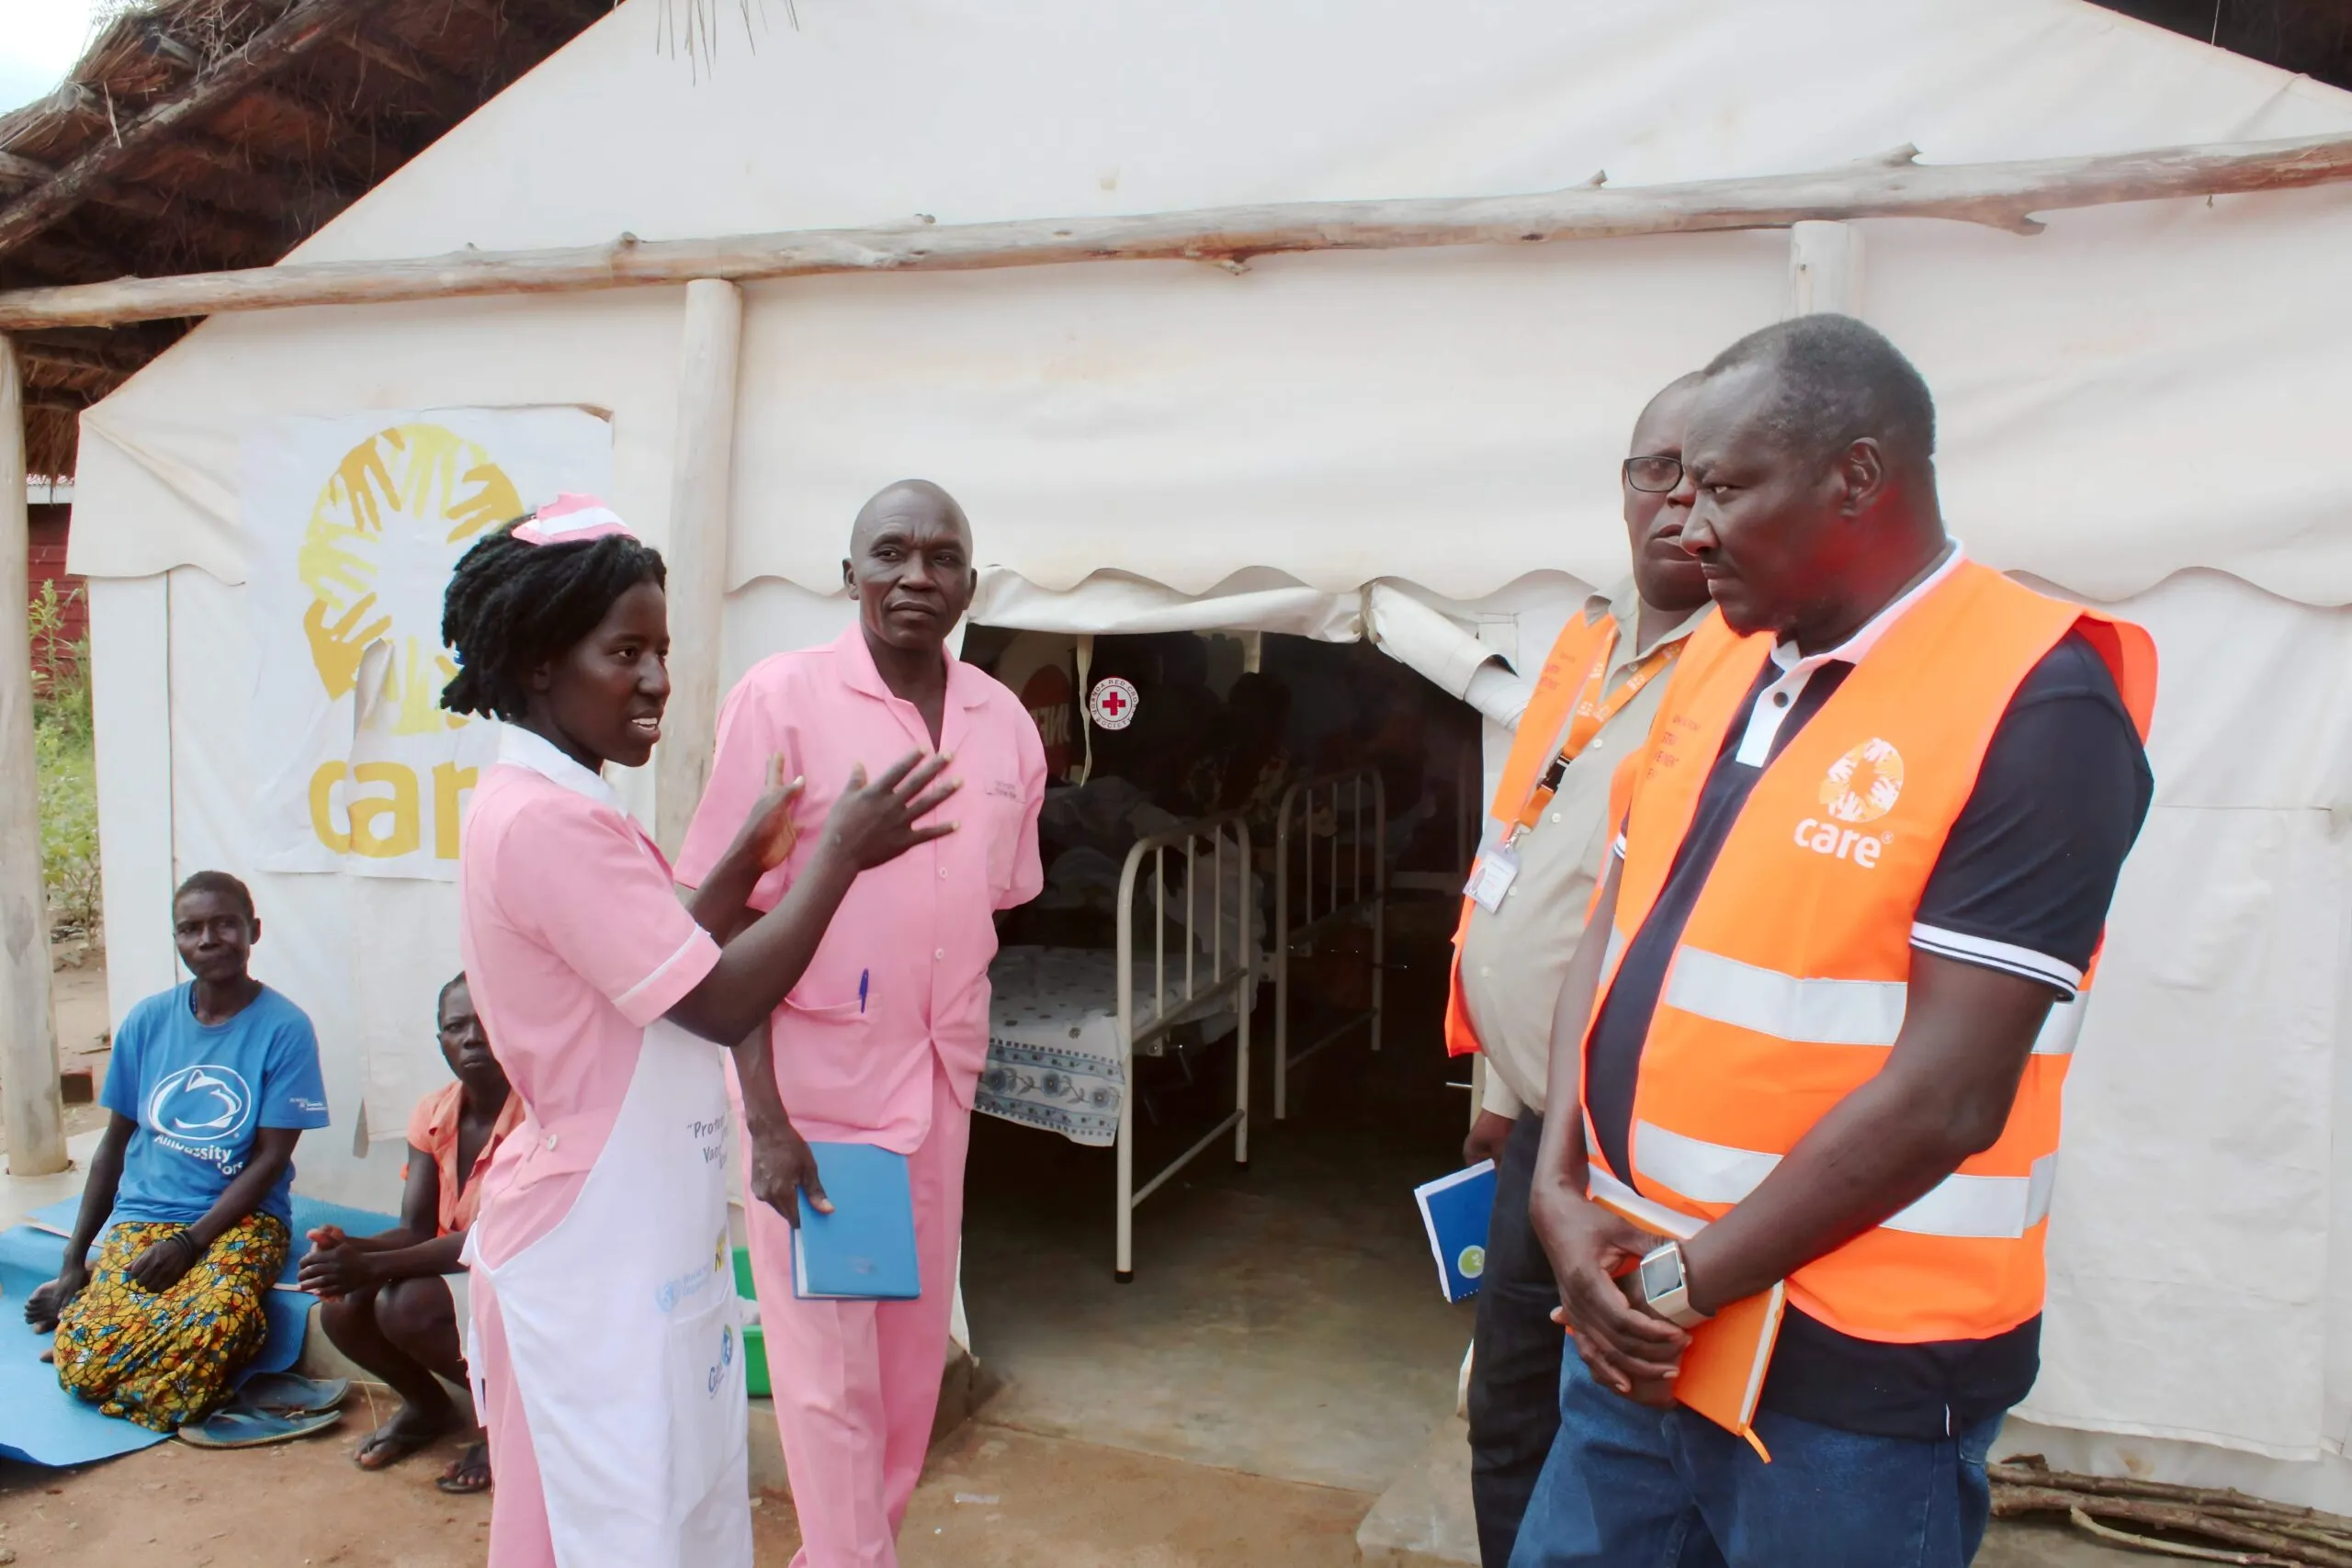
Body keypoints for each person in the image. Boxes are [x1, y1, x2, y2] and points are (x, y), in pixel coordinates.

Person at [1510, 315, 2156, 1568]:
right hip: (1637, 1318)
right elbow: (1617, 920)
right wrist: (1557, 1189)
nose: (1688, 524)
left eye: (1729, 486)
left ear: (1858, 477)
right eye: (1681, 485)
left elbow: (1949, 1097)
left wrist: (1679, 1284)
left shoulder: (2039, 699)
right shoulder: (1723, 652)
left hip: (1850, 1377)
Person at [439, 493, 961, 1568]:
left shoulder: (562, 804)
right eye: (624, 652)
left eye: (662, 652)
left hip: (623, 1227)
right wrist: (832, 858)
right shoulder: (547, 823)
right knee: (623, 1525)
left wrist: (746, 858)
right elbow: (716, 998)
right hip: (594, 1240)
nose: (658, 682)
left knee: (616, 1518)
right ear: (539, 661)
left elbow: (652, 952)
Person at [676, 478, 1046, 1568]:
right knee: (826, 1376)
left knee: (904, 1363)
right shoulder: (780, 701)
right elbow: (722, 920)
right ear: (850, 576)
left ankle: (853, 1555)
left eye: (941, 559)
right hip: (814, 1099)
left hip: (937, 1088)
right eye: (891, 554)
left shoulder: (1003, 723)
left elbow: (995, 903)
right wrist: (767, 1118)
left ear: (971, 586)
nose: (916, 578)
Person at [1438, 374, 1717, 1568]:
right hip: (1535, 1124)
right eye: (1657, 467)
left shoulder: (1755, 667)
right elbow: (1527, 835)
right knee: (1508, 1408)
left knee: (1630, 1437)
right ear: (1624, 485)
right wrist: (1500, 1094)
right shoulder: (1591, 634)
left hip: (1644, 1148)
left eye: (1712, 470)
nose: (1681, 494)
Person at [23, 871, 331, 1431]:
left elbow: (268, 1161)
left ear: (253, 931)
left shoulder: (284, 1028)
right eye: (190, 928)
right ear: (178, 940)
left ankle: (144, 1340)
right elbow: (113, 1146)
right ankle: (117, 1322)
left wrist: (191, 1244)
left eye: (224, 924)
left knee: (221, 1316)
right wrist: (70, 1263)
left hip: (242, 1221)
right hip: (147, 1216)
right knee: (82, 1368)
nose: (207, 939)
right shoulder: (147, 1022)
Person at [300, 973, 521, 1494]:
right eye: (455, 1026)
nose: (472, 1037)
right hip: (465, 1271)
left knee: (405, 1304)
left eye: (486, 1021)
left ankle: (511, 1423)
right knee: (343, 1305)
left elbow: (495, 1240)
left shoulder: (537, 1116)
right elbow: (415, 1230)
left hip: (526, 1274)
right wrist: (351, 1251)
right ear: (439, 1040)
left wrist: (371, 1265)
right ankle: (428, 1408)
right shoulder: (434, 1113)